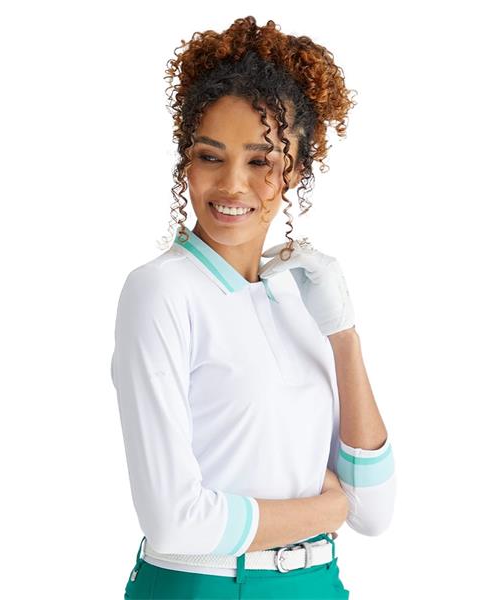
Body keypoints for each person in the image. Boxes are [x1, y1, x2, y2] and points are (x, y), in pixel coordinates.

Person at [111, 15, 396, 599]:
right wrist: (329, 507)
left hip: (319, 584)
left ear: (297, 169)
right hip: (206, 586)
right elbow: (176, 521)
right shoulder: (160, 292)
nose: (232, 185)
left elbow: (375, 511)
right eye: (210, 156)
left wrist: (343, 335)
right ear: (186, 162)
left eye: (261, 161)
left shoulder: (299, 298)